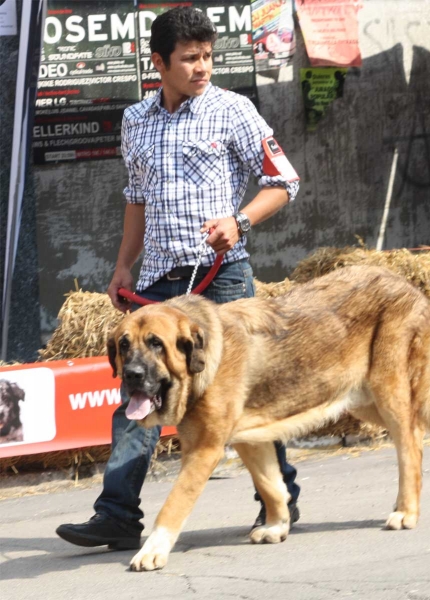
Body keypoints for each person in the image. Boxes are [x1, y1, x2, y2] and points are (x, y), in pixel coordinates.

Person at [56, 6, 301, 551]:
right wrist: (124, 266)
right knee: (138, 391)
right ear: (159, 62)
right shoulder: (136, 120)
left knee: (248, 398)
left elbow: (283, 181)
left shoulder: (233, 110)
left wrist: (240, 222)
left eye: (208, 57)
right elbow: (136, 199)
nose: (202, 67)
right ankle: (117, 515)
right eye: (189, 58)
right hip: (161, 285)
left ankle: (279, 500)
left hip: (223, 282)